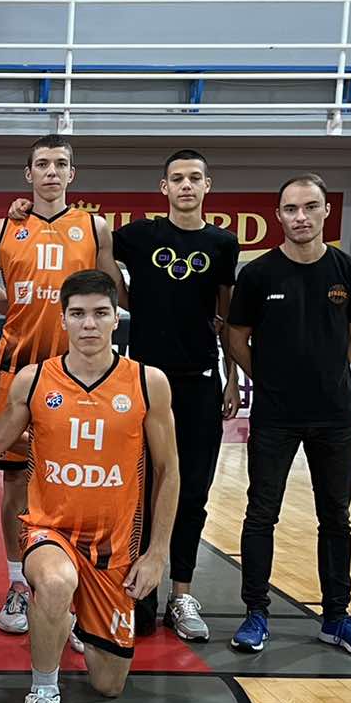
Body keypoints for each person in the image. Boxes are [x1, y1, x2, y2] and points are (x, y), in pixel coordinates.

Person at [0, 269, 180, 703]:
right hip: (49, 532)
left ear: (116, 319)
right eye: (79, 314)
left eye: (100, 313)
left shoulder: (148, 382)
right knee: (54, 581)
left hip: (113, 548)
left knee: (109, 684)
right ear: (63, 319)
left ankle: (68, 619)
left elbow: (168, 471)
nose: (89, 324)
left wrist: (157, 554)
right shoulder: (34, 380)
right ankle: (43, 694)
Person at [226, 174, 351, 658]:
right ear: (278, 215)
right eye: (291, 209)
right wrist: (271, 378)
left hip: (333, 415)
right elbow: (236, 339)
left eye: (310, 207)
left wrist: (326, 373)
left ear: (325, 212)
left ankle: (336, 618)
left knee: (336, 516)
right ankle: (256, 613)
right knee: (261, 514)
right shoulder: (257, 274)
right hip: (274, 416)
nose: (301, 217)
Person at [0, 135, 121, 639]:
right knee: (16, 484)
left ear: (72, 174)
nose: (50, 172)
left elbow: (111, 292)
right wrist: (18, 308)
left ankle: (74, 589)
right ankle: (18, 583)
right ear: (28, 174)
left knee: (74, 480)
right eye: (41, 164)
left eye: (59, 164)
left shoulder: (94, 227)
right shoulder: (3, 228)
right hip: (16, 368)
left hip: (78, 375)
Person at [109, 150, 239, 642]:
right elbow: (96, 245)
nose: (186, 185)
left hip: (200, 382)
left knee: (193, 493)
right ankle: (140, 592)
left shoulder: (222, 243)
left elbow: (226, 319)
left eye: (194, 178)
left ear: (208, 185)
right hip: (143, 384)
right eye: (178, 178)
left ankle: (181, 594)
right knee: (140, 492)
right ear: (163, 187)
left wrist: (231, 377)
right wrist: (131, 299)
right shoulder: (140, 236)